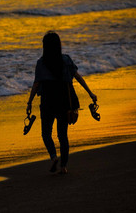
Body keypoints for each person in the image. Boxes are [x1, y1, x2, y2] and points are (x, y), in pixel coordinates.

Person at [26, 31, 97, 174]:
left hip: (47, 101)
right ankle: (63, 166)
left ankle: (53, 157)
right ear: (59, 45)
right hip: (64, 102)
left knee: (46, 133)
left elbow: (36, 84)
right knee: (62, 135)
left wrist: (29, 102)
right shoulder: (66, 60)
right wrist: (90, 93)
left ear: (44, 46)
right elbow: (78, 77)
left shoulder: (41, 63)